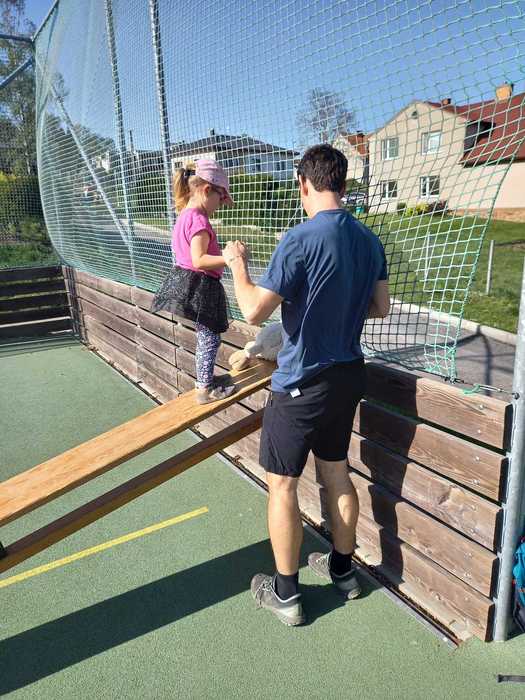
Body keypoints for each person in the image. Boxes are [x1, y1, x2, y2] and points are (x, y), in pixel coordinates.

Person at [223, 144, 390, 625]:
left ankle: (287, 595)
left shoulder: (299, 238)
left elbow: (253, 310)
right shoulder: (369, 240)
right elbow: (380, 307)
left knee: (282, 485)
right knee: (336, 472)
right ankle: (343, 571)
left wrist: (237, 264)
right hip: (348, 377)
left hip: (302, 384)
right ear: (343, 182)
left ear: (304, 184)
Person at [151, 159, 237, 404]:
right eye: (220, 198)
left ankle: (205, 380)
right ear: (207, 190)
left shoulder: (185, 216)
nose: (220, 205)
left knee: (205, 336)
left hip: (191, 283)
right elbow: (199, 259)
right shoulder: (199, 219)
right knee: (210, 337)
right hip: (202, 285)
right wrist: (229, 257)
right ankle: (205, 389)